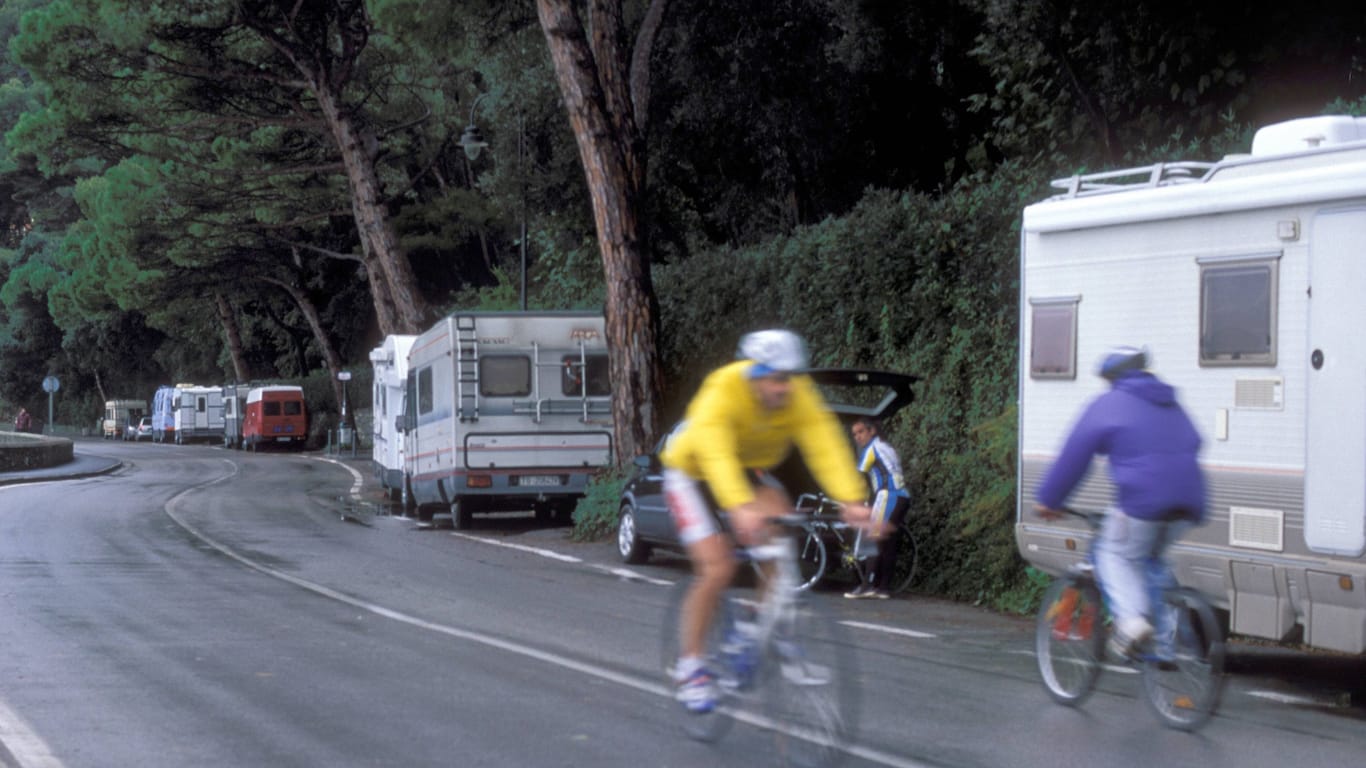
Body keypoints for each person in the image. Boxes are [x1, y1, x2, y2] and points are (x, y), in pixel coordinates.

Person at [660, 329, 873, 713]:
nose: (785, 388)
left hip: (747, 468)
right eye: (776, 379)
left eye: (791, 378)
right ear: (755, 374)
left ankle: (762, 623)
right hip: (693, 469)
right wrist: (740, 507)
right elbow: (715, 453)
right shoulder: (722, 390)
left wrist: (850, 499)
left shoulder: (798, 394)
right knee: (718, 567)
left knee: (781, 535)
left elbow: (823, 443)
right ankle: (691, 668)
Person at [1033, 346, 1206, 659]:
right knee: (1150, 559)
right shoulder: (1171, 401)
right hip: (1190, 501)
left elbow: (1074, 457)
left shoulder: (1108, 404)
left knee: (1112, 552)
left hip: (1144, 501)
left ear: (1111, 377)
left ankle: (1130, 622)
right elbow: (1196, 440)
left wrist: (1050, 499)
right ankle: (1168, 646)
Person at [844, 416, 912, 599]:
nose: (857, 437)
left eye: (861, 432)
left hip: (888, 495)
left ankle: (867, 586)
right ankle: (883, 587)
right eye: (854, 434)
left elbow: (858, 475)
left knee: (873, 538)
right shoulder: (887, 447)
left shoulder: (872, 448)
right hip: (902, 496)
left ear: (872, 430)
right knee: (888, 542)